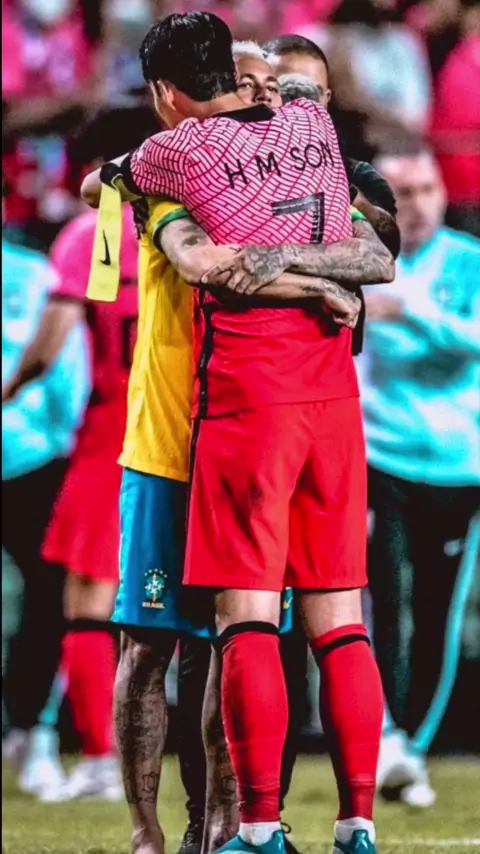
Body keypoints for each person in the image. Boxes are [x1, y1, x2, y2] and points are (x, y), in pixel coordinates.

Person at [82, 13, 395, 854]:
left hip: (243, 404)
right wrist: (319, 280)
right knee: (331, 622)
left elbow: (132, 206)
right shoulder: (312, 126)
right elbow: (374, 255)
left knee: (245, 624)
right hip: (309, 404)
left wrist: (275, 264)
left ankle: (251, 827)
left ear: (163, 92)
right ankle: (348, 822)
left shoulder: (173, 154)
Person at [2, 105, 157, 802]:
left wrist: (11, 387)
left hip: (113, 427)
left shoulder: (96, 233)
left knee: (87, 599)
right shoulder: (188, 224)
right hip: (189, 422)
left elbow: (55, 337)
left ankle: (101, 760)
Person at [357, 144, 480, 808]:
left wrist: (409, 311)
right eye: (402, 193)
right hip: (379, 455)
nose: (419, 205)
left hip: (459, 462)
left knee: (437, 613)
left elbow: (473, 343)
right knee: (380, 602)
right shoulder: (358, 259)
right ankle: (382, 738)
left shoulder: (469, 261)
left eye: (428, 189)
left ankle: (412, 748)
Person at [2, 178, 90, 795]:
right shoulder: (36, 271)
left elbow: (64, 361)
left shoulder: (35, 273)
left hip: (31, 458)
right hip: (35, 452)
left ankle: (34, 730)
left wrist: (64, 437)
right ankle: (32, 734)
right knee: (47, 599)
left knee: (48, 600)